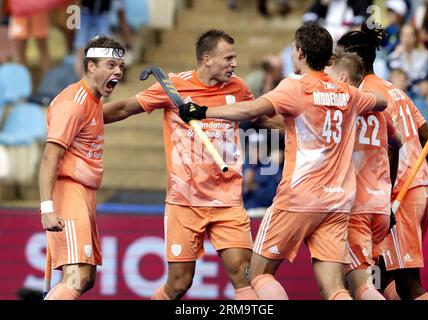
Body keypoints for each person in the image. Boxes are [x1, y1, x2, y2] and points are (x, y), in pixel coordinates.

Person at [179, 22, 388, 300]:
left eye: (292, 49)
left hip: (299, 197)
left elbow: (253, 108)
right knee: (335, 288)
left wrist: (203, 111)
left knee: (257, 274)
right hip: (337, 201)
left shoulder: (294, 87)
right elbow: (381, 101)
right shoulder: (347, 93)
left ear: (300, 53)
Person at [102, 29, 258, 300]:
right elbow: (126, 107)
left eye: (235, 58)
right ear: (207, 59)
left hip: (228, 201)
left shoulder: (239, 88)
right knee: (179, 284)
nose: (234, 64)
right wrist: (83, 115)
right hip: (184, 201)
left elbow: (262, 117)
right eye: (229, 58)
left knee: (243, 274)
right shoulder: (173, 86)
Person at [338, 23, 428, 300]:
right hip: (421, 188)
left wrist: (388, 196)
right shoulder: (394, 89)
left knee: (409, 284)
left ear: (351, 60)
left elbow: (393, 147)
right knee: (386, 274)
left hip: (399, 195)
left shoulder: (368, 96)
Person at [39, 36, 125, 300]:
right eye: (110, 65)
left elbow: (120, 110)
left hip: (84, 194)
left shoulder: (93, 99)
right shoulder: (74, 104)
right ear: (90, 66)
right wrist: (47, 209)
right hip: (69, 191)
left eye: (120, 66)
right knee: (77, 276)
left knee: (85, 279)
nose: (118, 72)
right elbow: (48, 158)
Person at [325, 47, 402, 300]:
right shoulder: (378, 109)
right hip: (380, 205)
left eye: (330, 74)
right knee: (361, 280)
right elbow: (397, 142)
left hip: (355, 205)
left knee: (361, 286)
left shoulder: (342, 108)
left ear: (344, 78)